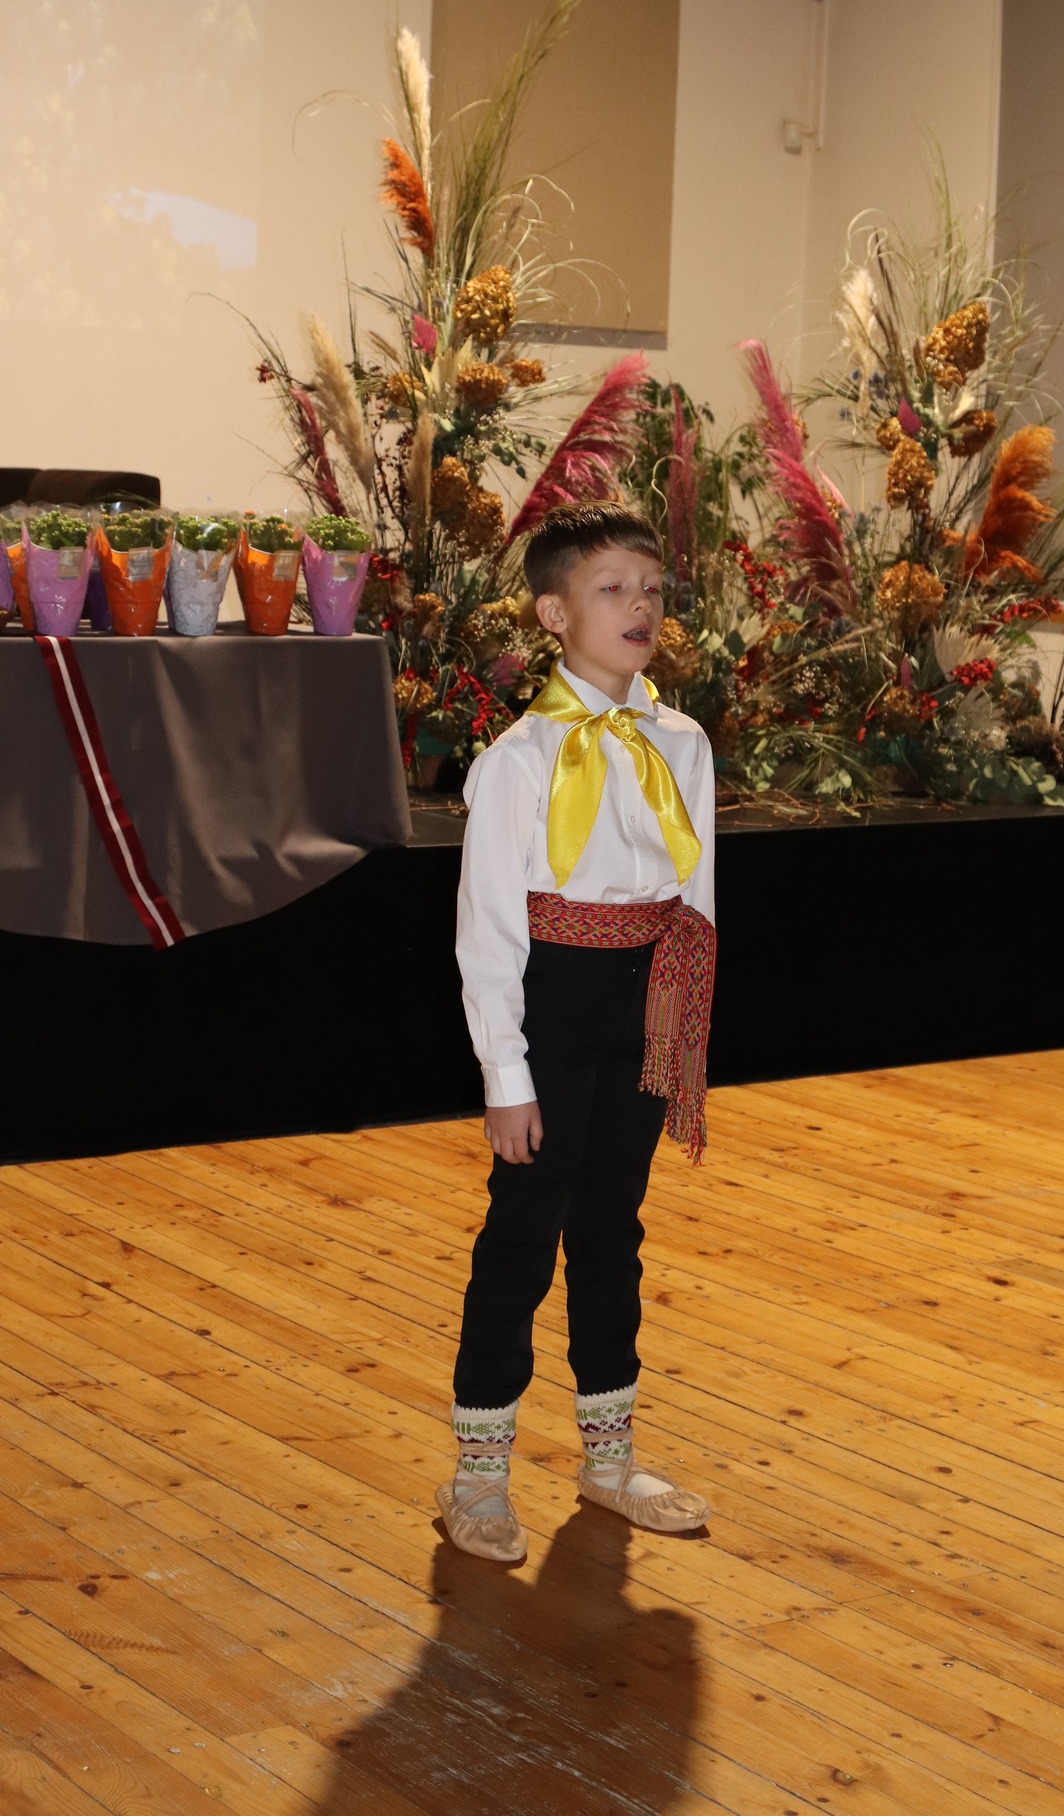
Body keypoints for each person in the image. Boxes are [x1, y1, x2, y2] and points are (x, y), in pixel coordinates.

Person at [437, 502, 717, 1563]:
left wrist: (678, 1034)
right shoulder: (520, 759)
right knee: (523, 1234)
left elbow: (695, 902)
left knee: (612, 1230)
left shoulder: (682, 741)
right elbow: (488, 930)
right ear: (554, 613)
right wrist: (506, 1073)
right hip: (550, 1005)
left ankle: (608, 1459)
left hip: (641, 1007)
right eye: (612, 588)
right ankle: (477, 1474)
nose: (640, 605)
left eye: (651, 588)